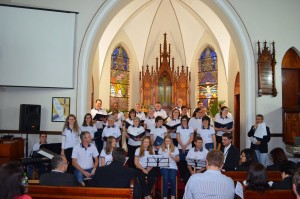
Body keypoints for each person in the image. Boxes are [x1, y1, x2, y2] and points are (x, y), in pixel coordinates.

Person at [158, 135, 179, 199]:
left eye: (169, 141)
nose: (167, 142)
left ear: (171, 141)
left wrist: (172, 156)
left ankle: (173, 195)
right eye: (166, 141)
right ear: (164, 142)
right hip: (164, 166)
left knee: (172, 178)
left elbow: (178, 160)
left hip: (173, 167)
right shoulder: (161, 149)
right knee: (166, 178)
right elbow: (159, 160)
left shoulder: (175, 148)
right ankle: (165, 196)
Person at [176, 115, 194, 183]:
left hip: (188, 148)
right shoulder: (178, 128)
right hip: (180, 147)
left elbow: (191, 138)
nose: (184, 122)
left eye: (185, 120)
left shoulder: (191, 128)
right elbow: (178, 137)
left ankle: (187, 176)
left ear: (187, 121)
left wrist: (185, 145)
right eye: (182, 120)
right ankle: (182, 176)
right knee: (181, 162)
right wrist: (182, 146)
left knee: (188, 162)